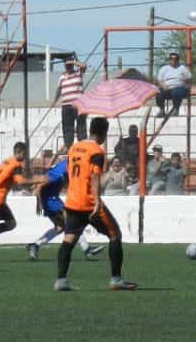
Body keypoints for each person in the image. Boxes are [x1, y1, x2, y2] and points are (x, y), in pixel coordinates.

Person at [54, 117, 138, 291]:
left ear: (90, 130)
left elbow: (69, 173)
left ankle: (61, 281)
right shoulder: (97, 151)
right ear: (103, 134)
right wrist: (97, 201)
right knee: (115, 234)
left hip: (73, 201)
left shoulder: (74, 148)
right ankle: (116, 279)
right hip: (89, 202)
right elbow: (94, 176)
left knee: (69, 239)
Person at [25, 157, 105, 260]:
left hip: (52, 201)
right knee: (73, 223)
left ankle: (35, 245)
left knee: (60, 227)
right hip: (51, 202)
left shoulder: (64, 167)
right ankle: (87, 250)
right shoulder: (57, 174)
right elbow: (39, 187)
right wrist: (39, 203)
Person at [55, 58, 88, 149]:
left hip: (78, 104)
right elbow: (59, 90)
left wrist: (73, 62)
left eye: (69, 65)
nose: (68, 67)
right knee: (67, 128)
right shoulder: (62, 77)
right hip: (66, 106)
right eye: (67, 65)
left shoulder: (78, 73)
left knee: (81, 127)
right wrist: (54, 101)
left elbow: (84, 66)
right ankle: (69, 147)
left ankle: (82, 145)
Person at [155, 53, 191, 117]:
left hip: (179, 88)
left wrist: (187, 86)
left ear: (178, 60)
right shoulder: (164, 68)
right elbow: (159, 80)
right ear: (169, 60)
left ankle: (176, 109)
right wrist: (164, 86)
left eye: (175, 59)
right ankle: (162, 110)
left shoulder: (182, 68)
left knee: (176, 91)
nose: (173, 60)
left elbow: (189, 78)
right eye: (171, 59)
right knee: (158, 92)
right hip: (167, 88)